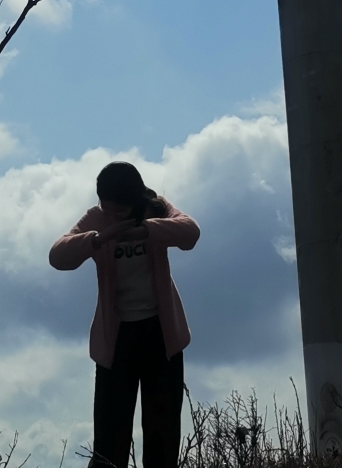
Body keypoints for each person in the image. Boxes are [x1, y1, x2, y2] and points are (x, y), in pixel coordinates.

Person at [49, 160, 200, 468]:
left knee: (162, 437)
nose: (112, 214)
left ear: (132, 200)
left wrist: (147, 230)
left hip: (161, 336)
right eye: (107, 208)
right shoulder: (98, 219)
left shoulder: (155, 208)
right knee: (109, 439)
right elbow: (58, 255)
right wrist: (98, 238)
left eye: (118, 209)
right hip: (116, 340)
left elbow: (190, 232)